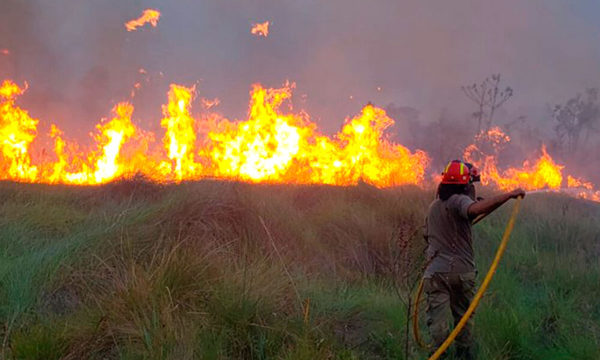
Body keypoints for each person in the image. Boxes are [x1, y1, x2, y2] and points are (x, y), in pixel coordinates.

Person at [423, 160, 525, 359]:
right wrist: (508, 195)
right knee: (464, 319)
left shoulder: (434, 206)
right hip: (461, 273)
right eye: (471, 184)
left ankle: (439, 354)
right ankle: (464, 355)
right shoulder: (459, 201)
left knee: (438, 322)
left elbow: (427, 236)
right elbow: (474, 210)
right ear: (465, 185)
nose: (473, 187)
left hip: (435, 273)